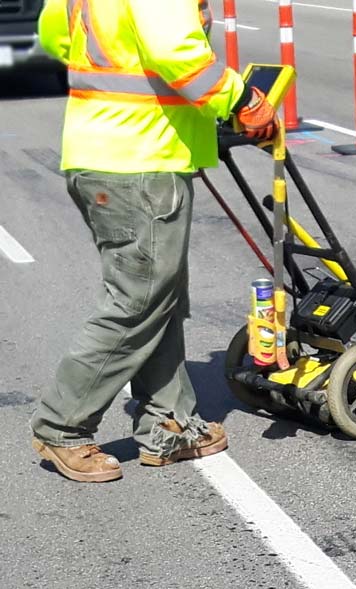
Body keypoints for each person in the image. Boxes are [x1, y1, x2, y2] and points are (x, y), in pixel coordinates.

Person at [31, 0, 277, 482]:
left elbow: (52, 34)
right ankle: (62, 425)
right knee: (138, 301)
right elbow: (175, 52)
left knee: (158, 297)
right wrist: (241, 98)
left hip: (99, 150)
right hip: (139, 159)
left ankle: (171, 423)